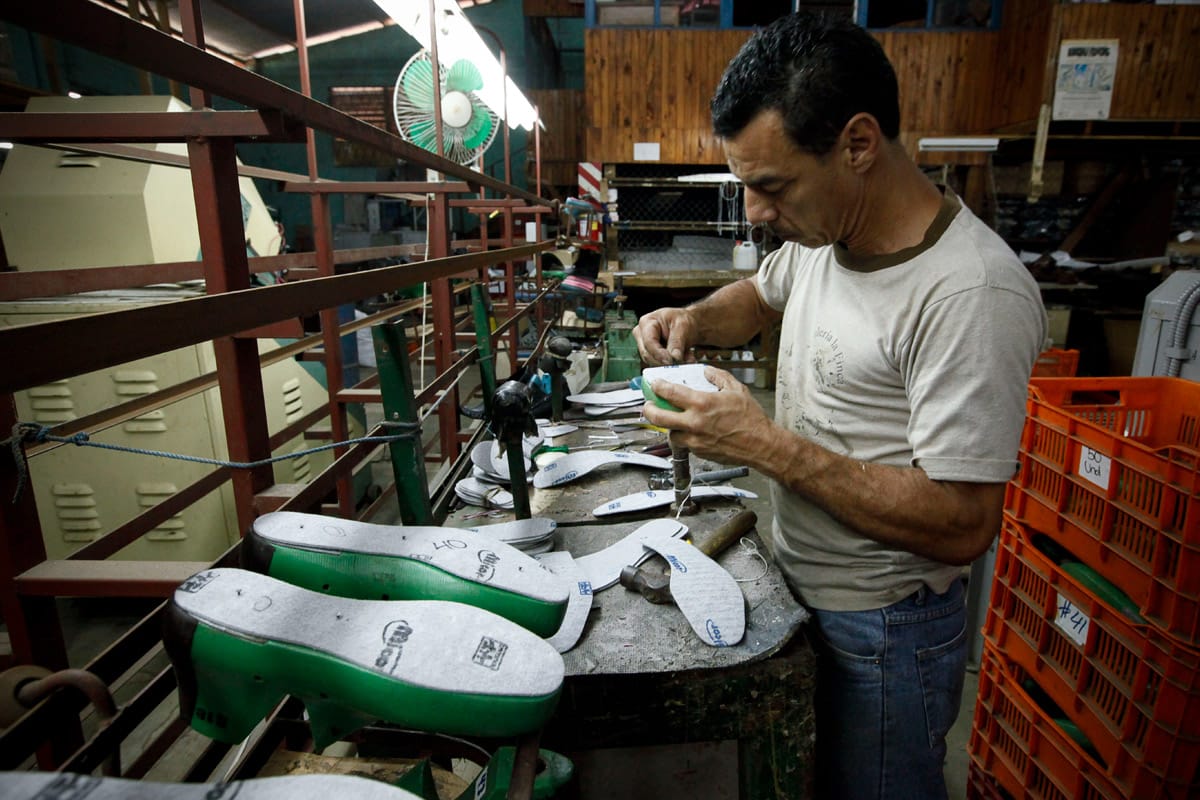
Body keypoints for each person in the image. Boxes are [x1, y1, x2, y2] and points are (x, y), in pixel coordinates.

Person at [633, 13, 1046, 800]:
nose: (756, 211)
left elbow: (963, 523)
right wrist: (692, 319)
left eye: (772, 186)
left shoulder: (969, 293)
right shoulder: (826, 238)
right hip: (804, 588)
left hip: (886, 630)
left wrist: (762, 444)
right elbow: (760, 295)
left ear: (858, 144)